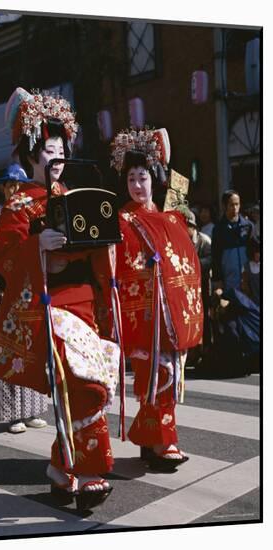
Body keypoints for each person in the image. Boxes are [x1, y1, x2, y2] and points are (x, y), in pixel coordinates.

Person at [0, 88, 120, 511]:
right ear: (32, 156)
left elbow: (102, 252)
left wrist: (107, 244)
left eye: (61, 151)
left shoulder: (77, 196)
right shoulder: (19, 205)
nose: (56, 160)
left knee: (82, 385)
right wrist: (38, 244)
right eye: (48, 152)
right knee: (83, 384)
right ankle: (91, 468)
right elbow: (3, 255)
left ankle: (62, 468)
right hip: (50, 305)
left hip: (83, 305)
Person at [111, 128, 203, 471]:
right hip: (144, 315)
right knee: (156, 377)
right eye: (132, 178)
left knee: (168, 377)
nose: (137, 185)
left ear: (155, 180)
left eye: (143, 177)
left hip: (170, 314)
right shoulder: (121, 220)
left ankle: (153, 441)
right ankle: (162, 443)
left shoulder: (170, 218)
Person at [0, 163, 49, 434]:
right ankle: (14, 414)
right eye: (10, 185)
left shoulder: (32, 209)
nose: (15, 189)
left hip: (31, 287)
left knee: (34, 345)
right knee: (11, 350)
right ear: (3, 188)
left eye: (19, 185)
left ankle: (34, 409)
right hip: (6, 286)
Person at [179, 207, 212, 358]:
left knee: (205, 317)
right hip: (187, 287)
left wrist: (193, 264)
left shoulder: (204, 240)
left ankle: (206, 349)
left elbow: (210, 260)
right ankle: (192, 350)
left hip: (203, 284)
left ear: (192, 226)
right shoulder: (181, 241)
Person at [211, 190, 253, 292]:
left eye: (237, 204)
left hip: (248, 280)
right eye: (231, 205)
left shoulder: (248, 226)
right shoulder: (219, 229)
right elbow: (215, 256)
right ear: (224, 206)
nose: (235, 208)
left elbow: (253, 251)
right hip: (228, 280)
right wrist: (217, 280)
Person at [242, 236, 260, 306]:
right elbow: (245, 287)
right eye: (256, 252)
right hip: (254, 305)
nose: (258, 254)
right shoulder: (246, 267)